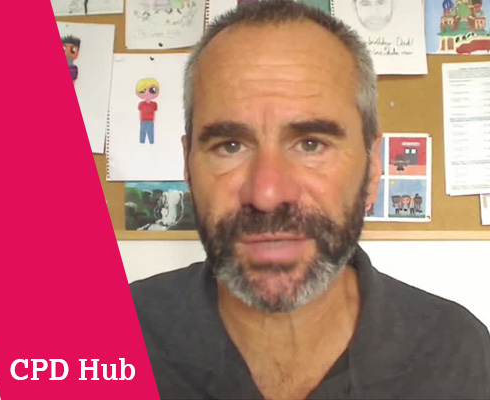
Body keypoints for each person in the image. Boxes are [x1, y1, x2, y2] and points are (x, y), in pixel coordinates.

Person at [130, 1, 490, 399]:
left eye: (311, 144)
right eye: (230, 146)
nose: (267, 195)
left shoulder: (457, 354)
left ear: (373, 169)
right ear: (187, 166)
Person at [136, 77, 160, 144]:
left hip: (150, 121)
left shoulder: (154, 104)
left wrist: (153, 120)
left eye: (152, 90)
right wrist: (140, 120)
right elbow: (140, 113)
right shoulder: (141, 104)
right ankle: (142, 143)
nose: (147, 93)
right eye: (143, 90)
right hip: (143, 121)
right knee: (142, 134)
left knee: (150, 134)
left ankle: (151, 143)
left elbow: (155, 113)